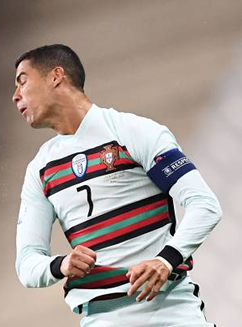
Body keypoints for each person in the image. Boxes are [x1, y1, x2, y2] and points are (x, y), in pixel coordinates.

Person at [13, 44, 222, 327]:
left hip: (172, 311)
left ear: (56, 76)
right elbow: (27, 262)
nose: (16, 96)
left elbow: (204, 205)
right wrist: (61, 264)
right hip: (101, 319)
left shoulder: (133, 132)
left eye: (23, 81)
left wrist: (165, 261)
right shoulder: (40, 170)